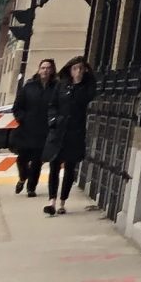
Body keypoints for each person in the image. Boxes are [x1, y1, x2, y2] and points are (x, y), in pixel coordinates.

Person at [44, 57, 94, 215]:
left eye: (81, 68)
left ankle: (62, 201)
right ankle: (51, 200)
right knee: (54, 166)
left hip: (75, 132)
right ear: (70, 70)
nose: (77, 71)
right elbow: (53, 104)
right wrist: (53, 120)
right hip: (59, 131)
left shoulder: (86, 87)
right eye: (75, 68)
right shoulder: (61, 85)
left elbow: (86, 100)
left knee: (70, 168)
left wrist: (80, 83)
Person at [11, 58, 56, 198]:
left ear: (52, 70)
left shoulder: (56, 88)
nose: (45, 70)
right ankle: (23, 178)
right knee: (22, 159)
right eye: (43, 67)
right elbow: (17, 107)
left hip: (44, 130)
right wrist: (22, 118)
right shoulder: (29, 87)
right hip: (27, 129)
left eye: (48, 68)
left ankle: (31, 187)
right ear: (39, 69)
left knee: (37, 161)